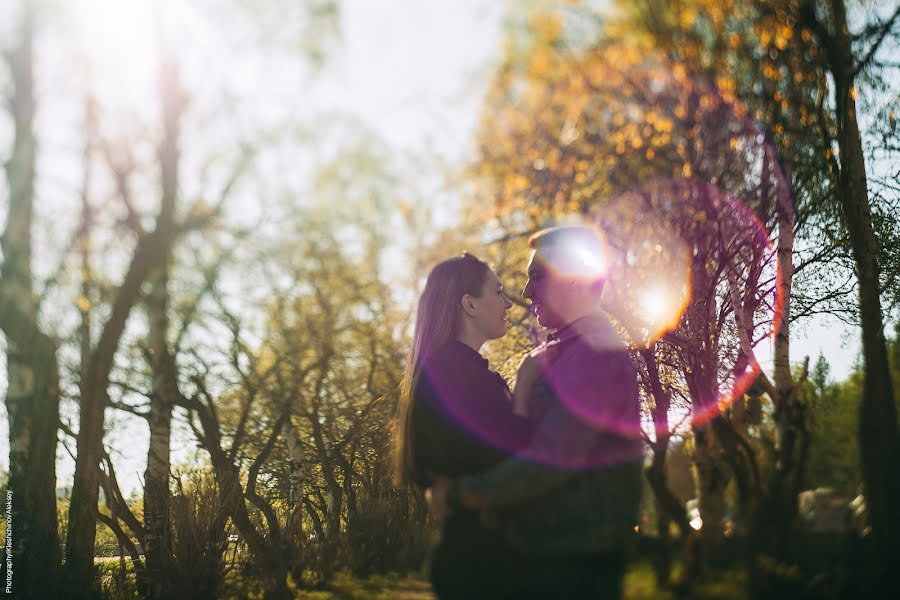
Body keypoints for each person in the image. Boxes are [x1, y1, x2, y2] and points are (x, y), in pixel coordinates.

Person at [427, 225, 644, 599]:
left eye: (536, 278)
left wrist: (463, 494)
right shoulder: (562, 353)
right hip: (549, 563)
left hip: (575, 570)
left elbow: (554, 458)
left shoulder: (596, 354)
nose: (526, 293)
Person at [394, 252, 531, 600]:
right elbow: (516, 459)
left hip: (479, 561)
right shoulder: (452, 376)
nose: (509, 304)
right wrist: (529, 388)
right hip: (483, 569)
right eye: (498, 291)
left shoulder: (456, 372)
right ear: (469, 304)